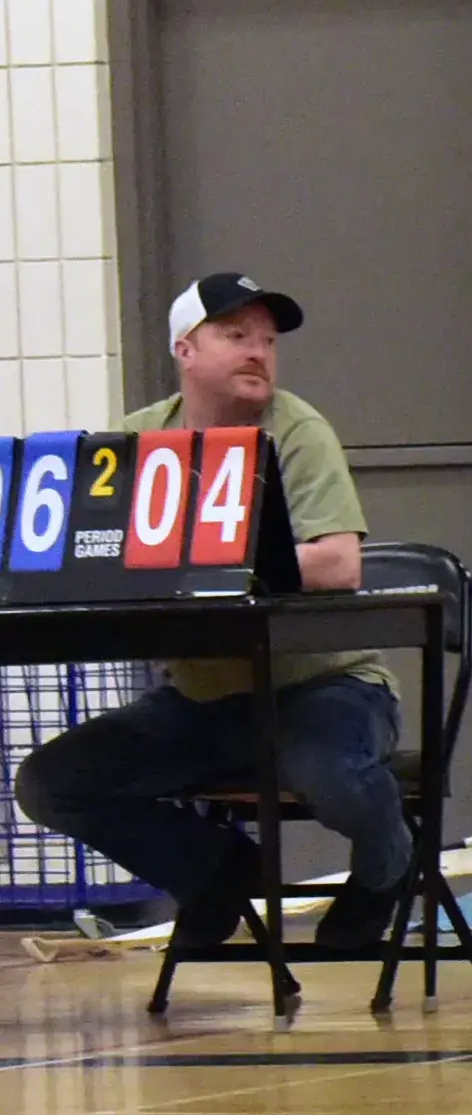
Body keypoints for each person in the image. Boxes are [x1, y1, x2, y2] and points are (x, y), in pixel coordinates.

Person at [13, 273, 411, 952]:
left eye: (267, 340)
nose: (258, 351)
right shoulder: (137, 439)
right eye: (235, 335)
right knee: (49, 782)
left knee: (330, 775)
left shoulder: (298, 429)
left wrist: (221, 560)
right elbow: (96, 552)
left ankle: (385, 870)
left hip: (323, 684)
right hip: (204, 697)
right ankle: (216, 870)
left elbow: (340, 563)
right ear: (185, 350)